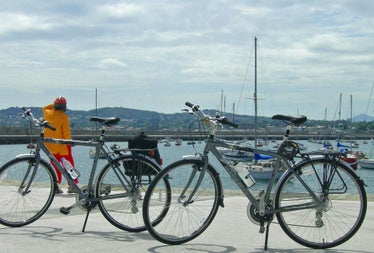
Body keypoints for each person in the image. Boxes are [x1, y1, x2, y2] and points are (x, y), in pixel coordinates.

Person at [42, 96, 78, 193]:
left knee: (54, 166)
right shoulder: (63, 117)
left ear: (54, 105)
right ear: (64, 107)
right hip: (62, 146)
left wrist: (52, 106)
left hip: (50, 145)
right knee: (69, 166)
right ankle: (72, 186)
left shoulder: (47, 113)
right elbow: (66, 132)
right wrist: (69, 142)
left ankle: (56, 186)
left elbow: (45, 107)